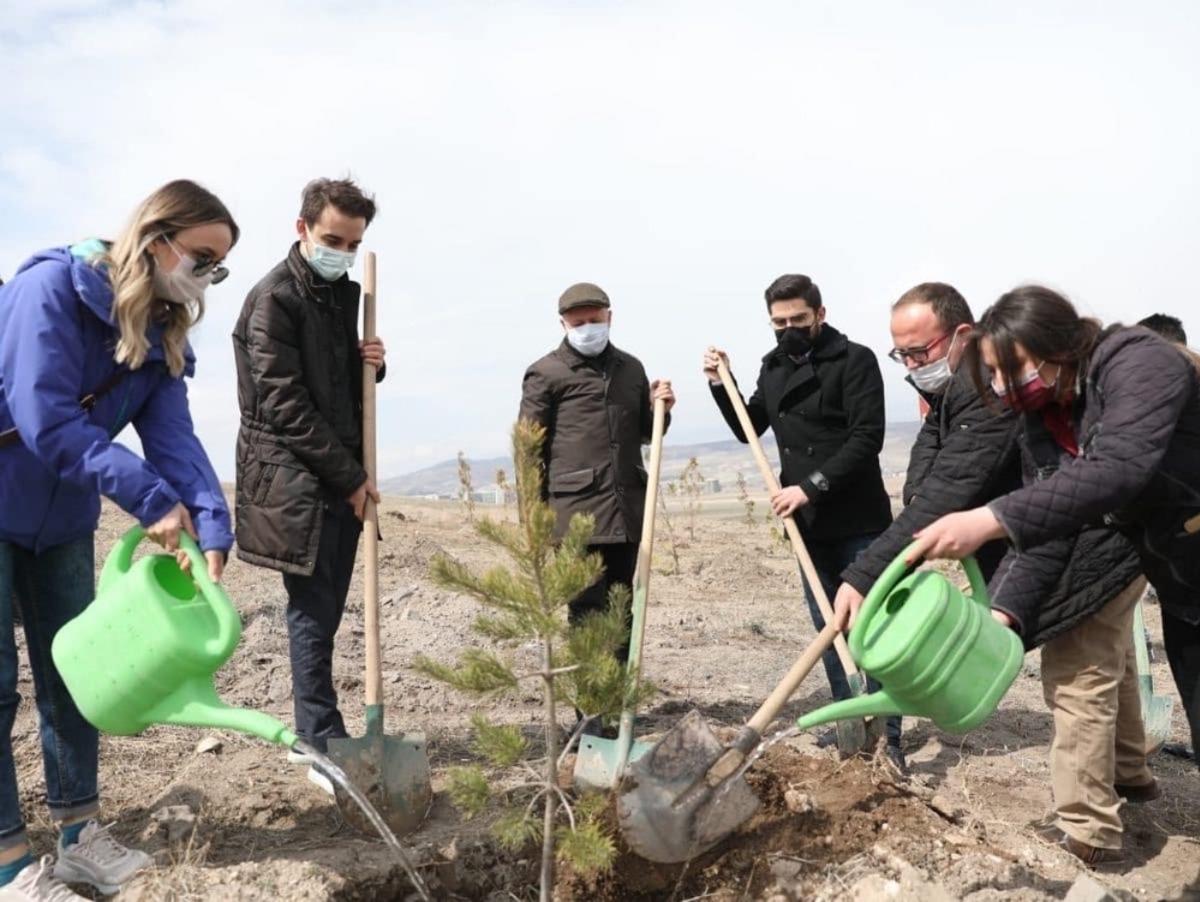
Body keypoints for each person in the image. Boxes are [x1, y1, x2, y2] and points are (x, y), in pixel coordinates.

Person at [0, 179, 237, 899]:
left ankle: (79, 836)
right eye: (201, 257)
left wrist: (211, 521)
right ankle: (10, 863)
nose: (203, 276)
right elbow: (46, 419)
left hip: (62, 520)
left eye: (216, 268)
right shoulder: (49, 291)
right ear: (157, 237)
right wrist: (148, 499)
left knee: (76, 673)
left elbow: (175, 438)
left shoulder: (162, 328)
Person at [909, 286, 1200, 782]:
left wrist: (990, 518)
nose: (1002, 386)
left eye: (1011, 367)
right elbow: (1051, 526)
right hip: (1182, 582)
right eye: (993, 374)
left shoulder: (1138, 361)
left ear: (1059, 345)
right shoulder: (1050, 419)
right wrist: (1000, 616)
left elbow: (1117, 471)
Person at [703, 274, 902, 763]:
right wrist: (719, 383)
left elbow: (866, 439)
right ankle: (850, 726)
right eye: (779, 322)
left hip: (856, 515)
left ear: (820, 314)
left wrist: (810, 487)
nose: (789, 329)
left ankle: (889, 737)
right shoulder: (773, 368)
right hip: (808, 525)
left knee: (872, 625)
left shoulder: (855, 361)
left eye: (798, 320)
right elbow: (747, 425)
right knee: (828, 628)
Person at [232, 178, 386, 791]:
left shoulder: (343, 296)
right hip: (295, 481)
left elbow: (340, 385)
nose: (341, 251)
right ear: (302, 228)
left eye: (352, 243)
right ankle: (315, 739)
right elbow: (285, 406)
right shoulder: (272, 301)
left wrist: (370, 361)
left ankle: (323, 728)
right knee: (311, 612)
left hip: (338, 474)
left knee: (326, 609)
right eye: (331, 239)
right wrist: (350, 478)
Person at [519, 282, 675, 736]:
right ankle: (590, 716)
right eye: (578, 321)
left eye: (595, 318)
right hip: (575, 516)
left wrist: (662, 408)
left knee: (623, 610)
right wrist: (533, 520)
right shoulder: (545, 373)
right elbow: (528, 452)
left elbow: (647, 432)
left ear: (610, 315)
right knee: (587, 615)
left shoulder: (630, 369)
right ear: (563, 323)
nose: (588, 327)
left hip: (626, 511)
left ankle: (618, 704)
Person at [832, 283, 1021, 630]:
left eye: (919, 352)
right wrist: (917, 489)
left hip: (1067, 553)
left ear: (962, 335)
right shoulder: (954, 386)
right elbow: (932, 434)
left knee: (1079, 675)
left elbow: (948, 492)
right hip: (1035, 552)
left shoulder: (986, 386)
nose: (911, 365)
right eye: (901, 355)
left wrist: (866, 575)